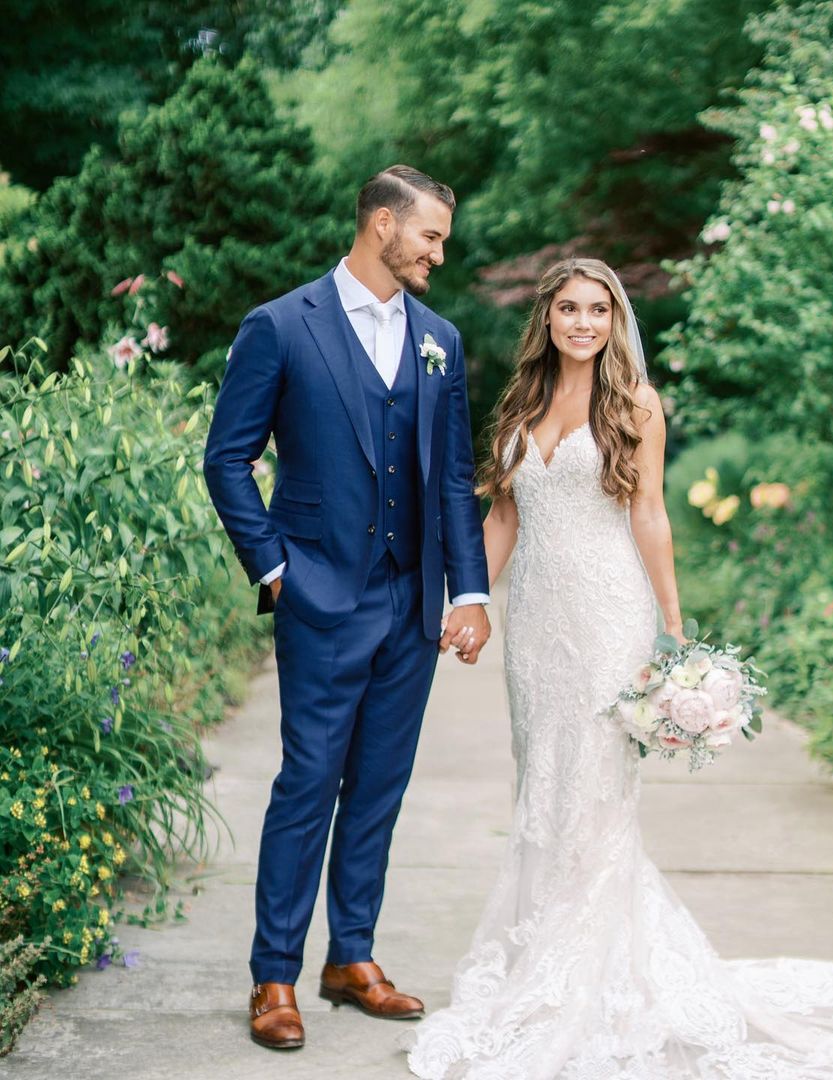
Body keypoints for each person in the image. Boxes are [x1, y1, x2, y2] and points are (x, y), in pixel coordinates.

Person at [406, 257, 833, 1078]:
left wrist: (670, 626)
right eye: (568, 309)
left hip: (609, 617)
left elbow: (650, 513)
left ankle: (593, 979)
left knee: (595, 795)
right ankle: (543, 955)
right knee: (543, 785)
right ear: (546, 320)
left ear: (614, 319)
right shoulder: (522, 403)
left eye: (597, 309)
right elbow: (507, 514)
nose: (583, 323)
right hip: (540, 625)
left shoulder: (636, 405)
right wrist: (468, 598)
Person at [203, 165, 492, 1052]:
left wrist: (470, 589)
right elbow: (227, 459)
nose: (440, 253)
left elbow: (449, 477)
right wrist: (274, 567)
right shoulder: (282, 326)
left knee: (377, 789)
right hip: (321, 594)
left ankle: (352, 957)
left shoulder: (438, 338)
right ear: (380, 224)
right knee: (307, 784)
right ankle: (275, 975)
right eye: (430, 237)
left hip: (412, 602)